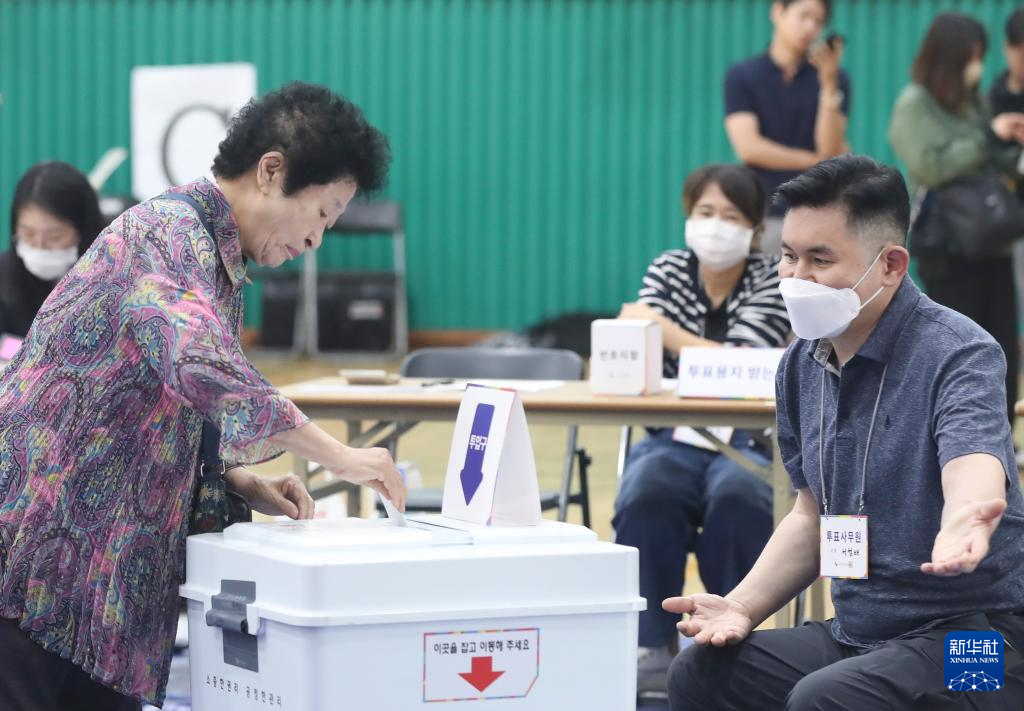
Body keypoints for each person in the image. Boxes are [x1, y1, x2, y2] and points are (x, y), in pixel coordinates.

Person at [0, 82, 408, 710]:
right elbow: (201, 365)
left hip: (94, 579)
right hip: (36, 558)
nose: (316, 240)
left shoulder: (215, 260)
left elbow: (162, 408)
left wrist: (241, 480)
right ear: (271, 171)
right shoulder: (165, 235)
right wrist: (343, 457)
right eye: (323, 213)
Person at [666, 155, 1024, 710]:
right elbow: (810, 515)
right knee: (701, 672)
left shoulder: (959, 351)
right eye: (788, 255)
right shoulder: (800, 365)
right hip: (861, 634)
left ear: (891, 265)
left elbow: (972, 460)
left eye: (820, 259)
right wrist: (741, 606)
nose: (796, 278)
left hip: (981, 645)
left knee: (828, 697)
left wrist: (965, 515)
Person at [613, 164, 790, 698]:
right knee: (647, 491)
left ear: (755, 228)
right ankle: (650, 643)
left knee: (740, 496)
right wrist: (665, 337)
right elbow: (636, 344)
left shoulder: (771, 276)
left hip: (751, 439)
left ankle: (732, 636)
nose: (715, 226)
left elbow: (742, 362)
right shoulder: (668, 268)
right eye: (705, 212)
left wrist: (662, 329)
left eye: (731, 216)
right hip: (672, 434)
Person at [890, 12, 1024, 424]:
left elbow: (991, 159)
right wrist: (988, 136)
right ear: (949, 57)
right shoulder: (915, 103)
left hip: (992, 239)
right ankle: (952, 431)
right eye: (971, 57)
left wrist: (1009, 141)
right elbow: (931, 166)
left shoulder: (974, 101)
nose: (977, 67)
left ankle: (999, 435)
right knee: (954, 343)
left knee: (1001, 342)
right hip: (948, 243)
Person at [724, 0, 850, 255]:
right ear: (778, 11)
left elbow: (829, 146)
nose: (810, 27)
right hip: (762, 209)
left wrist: (828, 86)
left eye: (818, 21)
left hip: (817, 209)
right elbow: (749, 148)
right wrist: (817, 160)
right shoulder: (742, 75)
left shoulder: (835, 79)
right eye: (803, 16)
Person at [0, 161, 104, 338]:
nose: (39, 246)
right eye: (28, 233)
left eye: (55, 237)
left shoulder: (112, 278)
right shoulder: (3, 275)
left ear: (83, 231)